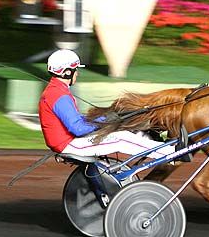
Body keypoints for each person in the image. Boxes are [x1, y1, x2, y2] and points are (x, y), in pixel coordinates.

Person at [38, 49, 175, 159]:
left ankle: (161, 147)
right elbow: (78, 128)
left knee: (125, 132)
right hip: (69, 144)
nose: (77, 74)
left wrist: (107, 117)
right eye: (76, 70)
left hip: (68, 141)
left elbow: (77, 122)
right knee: (122, 139)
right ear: (67, 72)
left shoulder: (56, 90)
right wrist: (106, 118)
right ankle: (170, 153)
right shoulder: (58, 95)